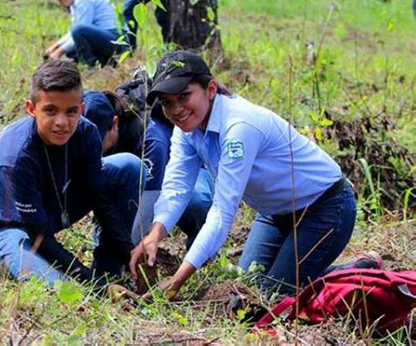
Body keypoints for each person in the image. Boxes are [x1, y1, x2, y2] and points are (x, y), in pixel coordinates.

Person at [129, 50, 381, 298]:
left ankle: (357, 271)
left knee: (269, 297)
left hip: (325, 208)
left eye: (184, 96)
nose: (177, 109)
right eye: (167, 102)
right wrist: (154, 235)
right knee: (248, 283)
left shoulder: (239, 127)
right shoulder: (186, 130)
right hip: (275, 214)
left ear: (211, 89)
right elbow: (177, 187)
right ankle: (320, 272)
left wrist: (177, 281)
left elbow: (221, 212)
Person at [0, 60, 143, 289]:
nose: (62, 123)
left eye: (71, 111)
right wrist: (95, 286)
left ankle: (110, 271)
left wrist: (129, 253)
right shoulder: (15, 158)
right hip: (9, 224)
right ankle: (15, 260)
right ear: (31, 109)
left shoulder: (86, 130)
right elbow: (40, 236)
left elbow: (99, 196)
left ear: (82, 109)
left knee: (129, 166)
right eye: (50, 111)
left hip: (52, 202)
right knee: (56, 286)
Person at [82, 81, 214, 249]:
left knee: (196, 201)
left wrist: (130, 250)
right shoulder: (83, 132)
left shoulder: (149, 139)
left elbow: (148, 203)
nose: (92, 149)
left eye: (97, 143)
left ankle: (201, 249)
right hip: (134, 182)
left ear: (114, 125)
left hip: (178, 173)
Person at [45, 0, 126, 68]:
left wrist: (59, 52)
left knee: (78, 32)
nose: (60, 3)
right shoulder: (75, 1)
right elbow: (73, 33)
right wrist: (54, 47)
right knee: (70, 54)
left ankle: (91, 66)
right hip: (104, 39)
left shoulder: (84, 0)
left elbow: (79, 31)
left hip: (117, 39)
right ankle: (105, 62)